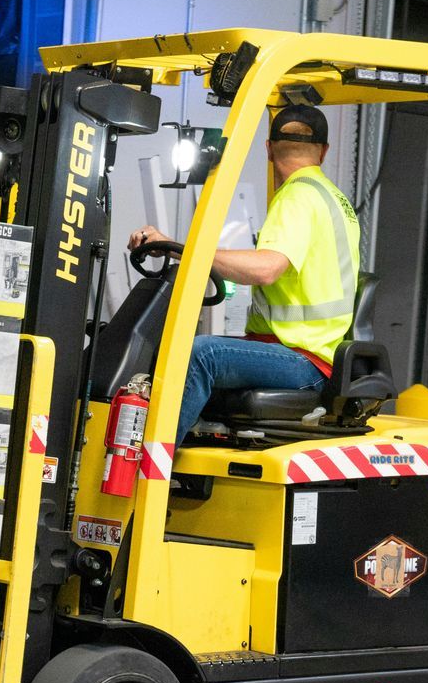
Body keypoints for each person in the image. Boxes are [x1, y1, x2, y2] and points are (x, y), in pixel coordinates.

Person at [130, 103, 361, 441]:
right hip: (308, 353)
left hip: (303, 359)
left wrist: (187, 249)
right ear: (324, 152)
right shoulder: (333, 198)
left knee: (202, 354)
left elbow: (267, 268)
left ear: (268, 149)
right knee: (179, 347)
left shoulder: (297, 196)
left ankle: (150, 471)